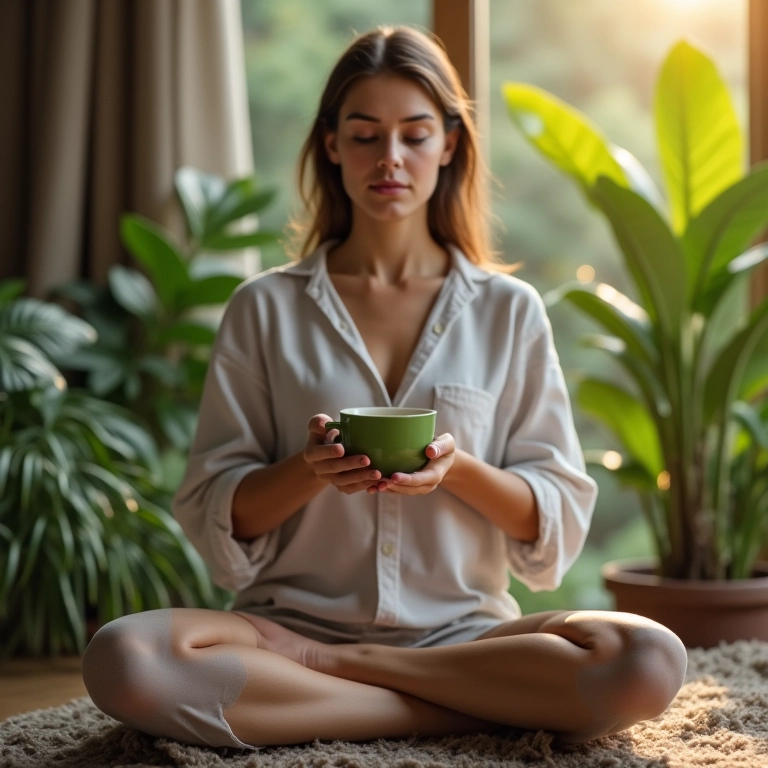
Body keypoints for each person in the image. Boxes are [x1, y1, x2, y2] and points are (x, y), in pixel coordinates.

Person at [81, 25, 687, 751]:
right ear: (331, 144)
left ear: (450, 145)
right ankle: (453, 708)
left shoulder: (508, 310)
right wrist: (309, 470)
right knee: (125, 659)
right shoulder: (264, 308)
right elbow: (218, 510)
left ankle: (343, 677)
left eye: (415, 134)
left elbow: (550, 520)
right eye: (365, 135)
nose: (390, 159)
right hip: (285, 628)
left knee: (649, 660)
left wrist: (453, 467)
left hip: (468, 635)